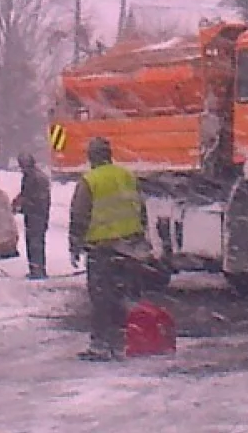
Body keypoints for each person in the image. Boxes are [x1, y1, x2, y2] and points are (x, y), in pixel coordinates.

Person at [68, 136, 150, 360]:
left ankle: (101, 345)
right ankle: (125, 340)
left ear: (91, 157)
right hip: (129, 247)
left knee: (101, 298)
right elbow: (141, 208)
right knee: (124, 295)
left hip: (102, 249)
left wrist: (75, 244)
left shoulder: (90, 181)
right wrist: (140, 236)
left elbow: (79, 215)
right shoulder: (127, 176)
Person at [12, 152, 51, 279]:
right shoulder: (33, 175)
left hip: (37, 215)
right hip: (37, 215)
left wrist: (22, 205)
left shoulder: (34, 177)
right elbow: (25, 194)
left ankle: (37, 270)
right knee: (35, 241)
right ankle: (36, 268)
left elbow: (33, 197)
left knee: (35, 242)